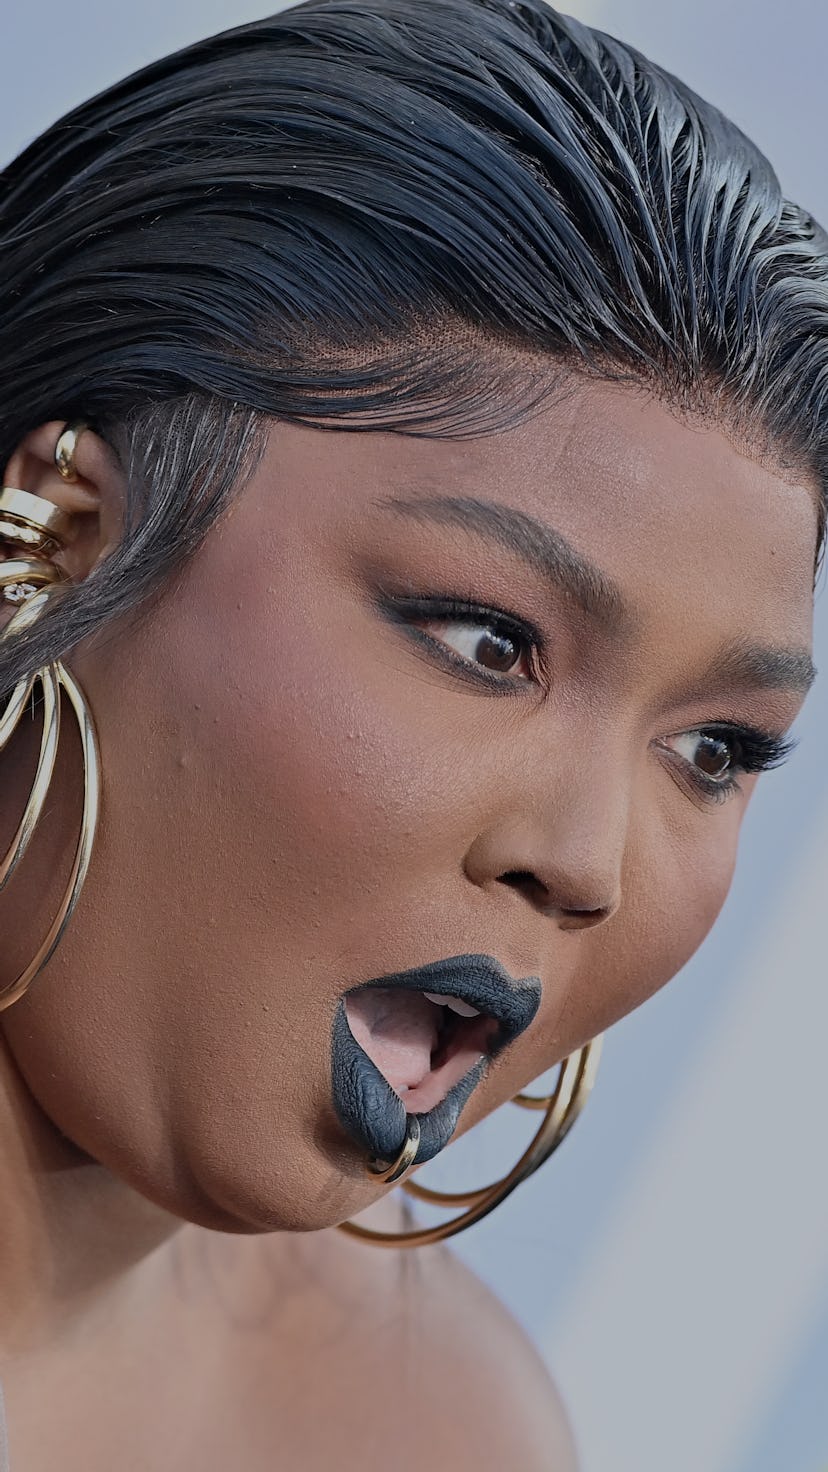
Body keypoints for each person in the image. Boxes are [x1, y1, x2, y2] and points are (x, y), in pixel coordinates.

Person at [1, 0, 826, 1466]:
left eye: (715, 749)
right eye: (490, 643)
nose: (588, 863)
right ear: (60, 533)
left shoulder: (440, 1429)